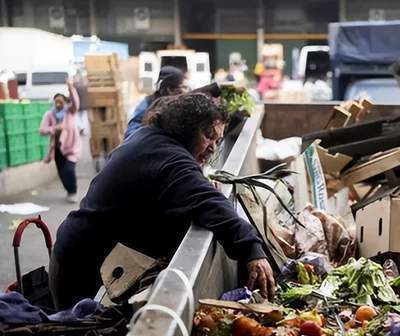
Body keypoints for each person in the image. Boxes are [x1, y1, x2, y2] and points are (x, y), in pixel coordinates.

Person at [49, 93, 275, 310]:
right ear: (185, 127)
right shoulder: (168, 157)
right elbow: (209, 203)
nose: (213, 147)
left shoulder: (151, 138)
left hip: (83, 255)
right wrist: (252, 249)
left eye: (217, 139)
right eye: (207, 135)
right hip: (82, 269)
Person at [40, 80, 81, 203]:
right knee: (62, 173)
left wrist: (70, 87)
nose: (58, 104)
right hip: (57, 149)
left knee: (69, 169)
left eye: (61, 102)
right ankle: (68, 190)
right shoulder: (49, 115)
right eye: (56, 102)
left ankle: (73, 192)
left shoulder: (71, 112)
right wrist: (54, 128)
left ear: (65, 102)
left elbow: (76, 102)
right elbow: (42, 130)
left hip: (72, 147)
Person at [123, 66, 189, 140]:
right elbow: (131, 133)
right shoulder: (148, 104)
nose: (188, 91)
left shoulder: (182, 106)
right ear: (170, 89)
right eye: (184, 87)